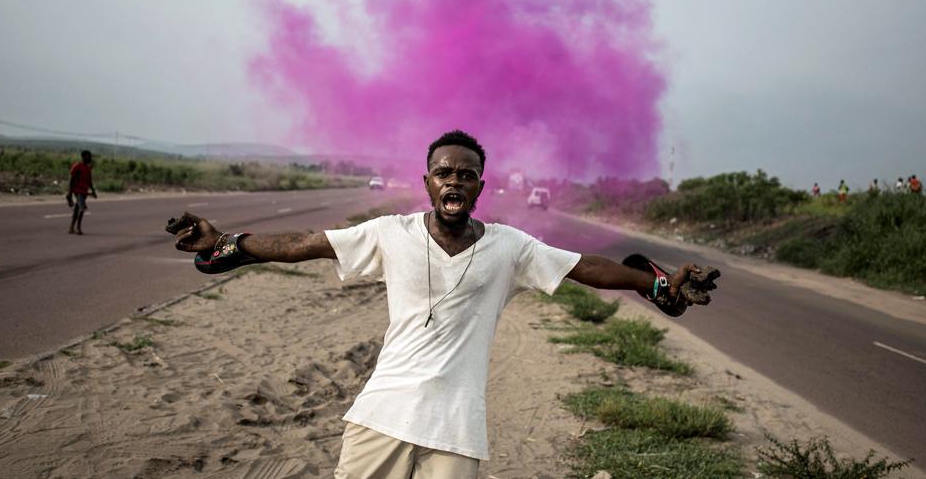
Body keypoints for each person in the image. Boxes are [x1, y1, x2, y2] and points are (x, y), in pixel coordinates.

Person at [170, 130, 712, 479]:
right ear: (428, 181)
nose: (455, 179)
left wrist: (654, 285)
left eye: (466, 173)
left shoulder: (510, 246)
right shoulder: (391, 232)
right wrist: (230, 245)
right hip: (382, 412)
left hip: (455, 426)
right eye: (444, 172)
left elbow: (583, 268)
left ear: (480, 184)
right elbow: (306, 243)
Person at [68, 150, 97, 234]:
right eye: (89, 156)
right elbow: (72, 179)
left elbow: (90, 181)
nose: (90, 158)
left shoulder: (88, 168)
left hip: (84, 192)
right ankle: (78, 228)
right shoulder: (77, 166)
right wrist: (70, 192)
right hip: (78, 191)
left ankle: (71, 227)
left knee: (77, 209)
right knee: (82, 208)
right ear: (84, 157)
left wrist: (93, 191)